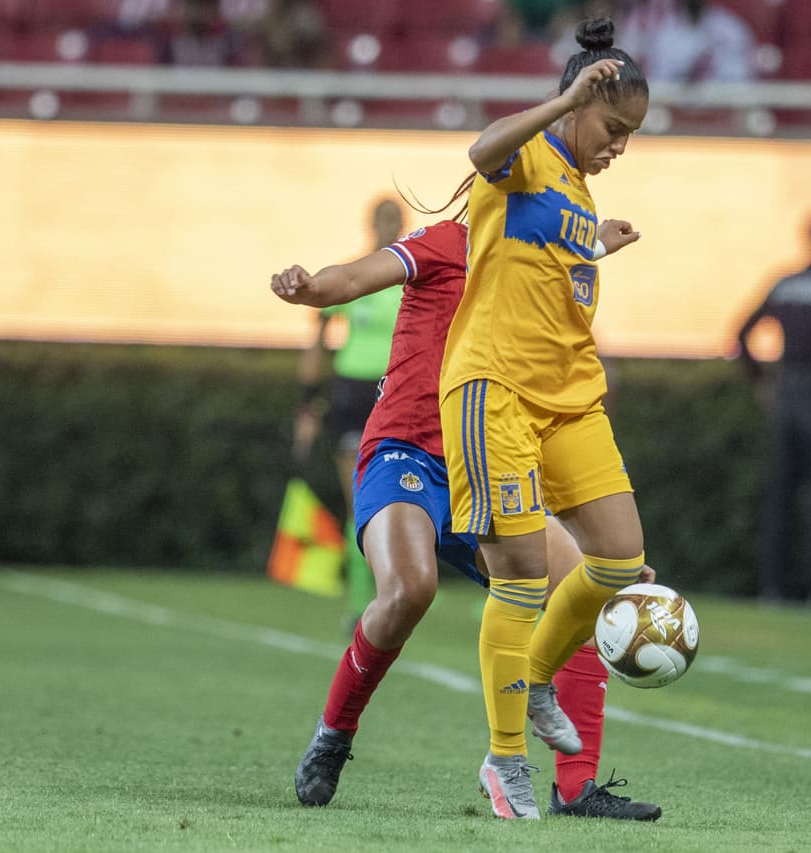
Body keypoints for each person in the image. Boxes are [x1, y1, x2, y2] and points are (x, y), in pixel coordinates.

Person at [274, 191, 660, 821]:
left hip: (484, 458)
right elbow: (349, 279)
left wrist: (594, 247)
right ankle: (335, 734)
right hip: (407, 450)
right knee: (409, 590)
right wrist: (308, 285)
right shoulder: (447, 244)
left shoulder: (541, 261)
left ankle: (576, 787)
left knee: (581, 595)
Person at [437, 18, 653, 819]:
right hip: (496, 389)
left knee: (619, 562)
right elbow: (481, 151)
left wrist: (594, 240)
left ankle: (529, 679)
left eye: (629, 135)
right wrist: (561, 99)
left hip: (571, 396)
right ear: (577, 104)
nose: (618, 146)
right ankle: (504, 762)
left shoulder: (576, 190)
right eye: (612, 128)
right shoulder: (529, 152)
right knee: (521, 574)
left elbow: (546, 262)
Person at [736, 216, 811, 604]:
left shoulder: (785, 283)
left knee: (781, 497)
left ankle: (772, 587)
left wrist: (763, 382)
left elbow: (741, 334)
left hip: (787, 396)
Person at [294, 198, 404, 626]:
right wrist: (308, 401)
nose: (388, 228)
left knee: (397, 502)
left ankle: (391, 593)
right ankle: (360, 603)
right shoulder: (353, 274)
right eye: (383, 220)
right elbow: (318, 340)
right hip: (352, 397)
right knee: (361, 501)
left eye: (395, 221)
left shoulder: (409, 276)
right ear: (371, 223)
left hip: (397, 395)